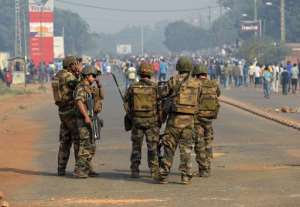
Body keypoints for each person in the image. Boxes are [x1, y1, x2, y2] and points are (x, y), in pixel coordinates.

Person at [158, 57, 201, 184]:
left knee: (169, 148)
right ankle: (186, 176)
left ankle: (163, 174)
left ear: (179, 68)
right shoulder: (197, 83)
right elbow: (199, 99)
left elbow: (162, 93)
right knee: (186, 150)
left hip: (174, 121)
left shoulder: (173, 80)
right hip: (189, 121)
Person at [124, 63, 160, 179]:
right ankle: (154, 170)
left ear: (139, 73)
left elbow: (126, 104)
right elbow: (161, 105)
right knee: (152, 147)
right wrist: (159, 119)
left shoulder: (132, 87)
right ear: (150, 73)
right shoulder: (155, 88)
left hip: (137, 122)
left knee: (136, 147)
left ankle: (135, 170)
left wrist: (131, 116)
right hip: (152, 122)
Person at [51, 56, 80, 176]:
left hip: (62, 111)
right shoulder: (68, 76)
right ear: (70, 65)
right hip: (71, 111)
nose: (76, 66)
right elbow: (79, 86)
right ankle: (81, 168)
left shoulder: (58, 75)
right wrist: (80, 73)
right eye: (75, 64)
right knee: (78, 139)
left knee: (65, 141)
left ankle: (61, 168)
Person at [73, 66, 103, 178]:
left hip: (93, 118)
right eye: (93, 76)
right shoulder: (81, 87)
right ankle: (79, 170)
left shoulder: (90, 88)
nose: (95, 78)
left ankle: (87, 168)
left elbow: (101, 97)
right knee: (85, 145)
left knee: (92, 146)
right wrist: (86, 116)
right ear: (87, 75)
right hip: (84, 120)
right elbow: (79, 101)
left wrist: (99, 86)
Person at [192, 64, 220, 177]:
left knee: (199, 144)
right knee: (208, 143)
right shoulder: (213, 84)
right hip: (210, 117)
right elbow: (218, 94)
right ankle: (207, 166)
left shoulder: (194, 84)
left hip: (198, 118)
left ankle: (203, 169)